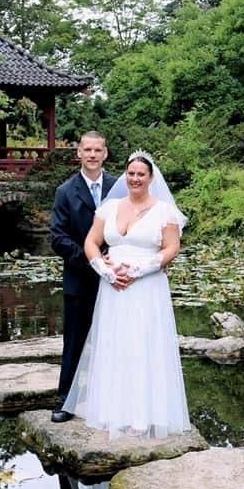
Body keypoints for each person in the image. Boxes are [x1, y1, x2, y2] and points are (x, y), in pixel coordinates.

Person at [62, 150, 190, 439]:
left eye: (140, 174)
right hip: (113, 287)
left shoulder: (165, 212)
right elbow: (91, 242)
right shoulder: (110, 208)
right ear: (125, 175)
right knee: (114, 344)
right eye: (130, 174)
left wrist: (140, 270)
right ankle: (111, 412)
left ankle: (142, 416)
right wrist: (104, 270)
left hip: (146, 286)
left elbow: (171, 248)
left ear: (150, 178)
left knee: (142, 345)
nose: (135, 179)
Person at [49, 131, 117, 423]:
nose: (92, 155)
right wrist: (92, 260)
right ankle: (67, 400)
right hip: (79, 278)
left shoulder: (120, 187)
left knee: (116, 340)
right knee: (75, 341)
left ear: (105, 153)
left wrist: (119, 259)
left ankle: (115, 398)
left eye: (97, 150)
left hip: (116, 279)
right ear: (78, 153)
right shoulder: (66, 191)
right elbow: (58, 237)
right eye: (87, 150)